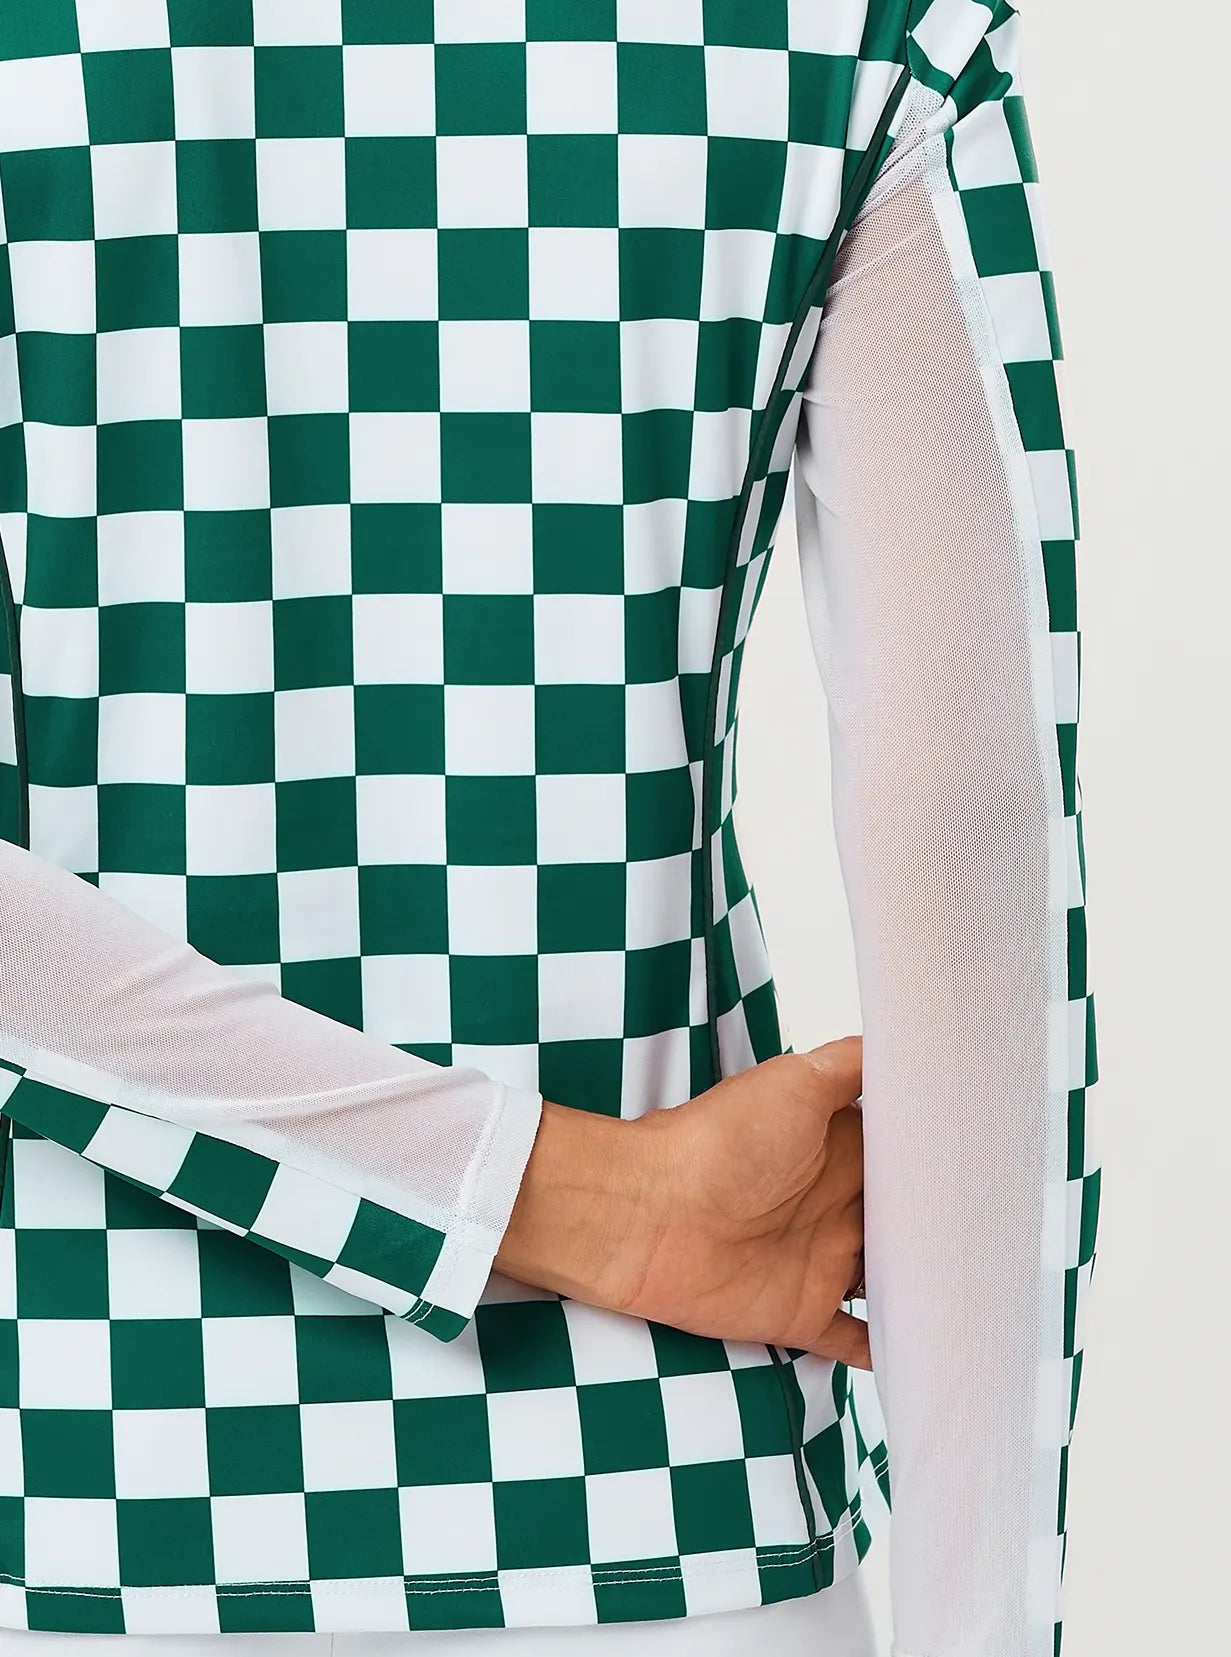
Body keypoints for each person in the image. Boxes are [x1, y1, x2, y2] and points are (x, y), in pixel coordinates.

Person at [0, 4, 1100, 1657]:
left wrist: (564, 1195)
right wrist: (984, 1624)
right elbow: (972, 819)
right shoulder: (864, 32)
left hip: (76, 1485)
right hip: (668, 1504)